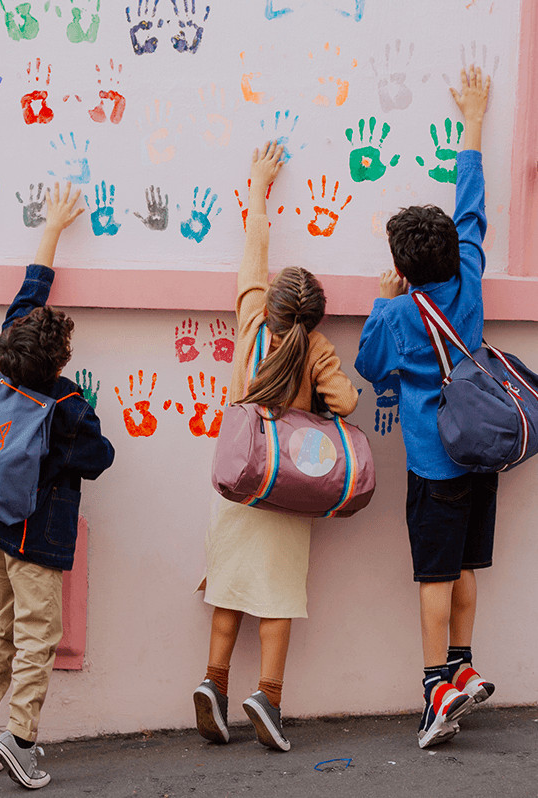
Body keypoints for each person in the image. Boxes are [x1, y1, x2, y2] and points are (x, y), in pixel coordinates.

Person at [193, 141, 359, 752]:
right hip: (287, 487)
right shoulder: (314, 350)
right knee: (277, 599)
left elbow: (254, 243)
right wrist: (321, 373)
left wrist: (260, 182)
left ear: (271, 302)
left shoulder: (251, 318)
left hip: (236, 480)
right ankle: (268, 697)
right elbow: (344, 405)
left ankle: (213, 683)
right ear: (312, 320)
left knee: (228, 590)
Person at [0, 183, 115, 788]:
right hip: (37, 537)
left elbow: (28, 296)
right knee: (38, 636)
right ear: (60, 359)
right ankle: (19, 739)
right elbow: (99, 458)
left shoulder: (2, 365)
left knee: (0, 622)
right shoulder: (65, 402)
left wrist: (50, 227)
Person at [354, 66, 494, 749]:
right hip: (482, 452)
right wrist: (473, 119)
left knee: (435, 574)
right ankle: (465, 669)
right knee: (466, 568)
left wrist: (385, 302)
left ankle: (437, 686)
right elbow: (472, 205)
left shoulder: (395, 316)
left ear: (403, 268)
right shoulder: (468, 280)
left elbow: (370, 369)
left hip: (435, 464)